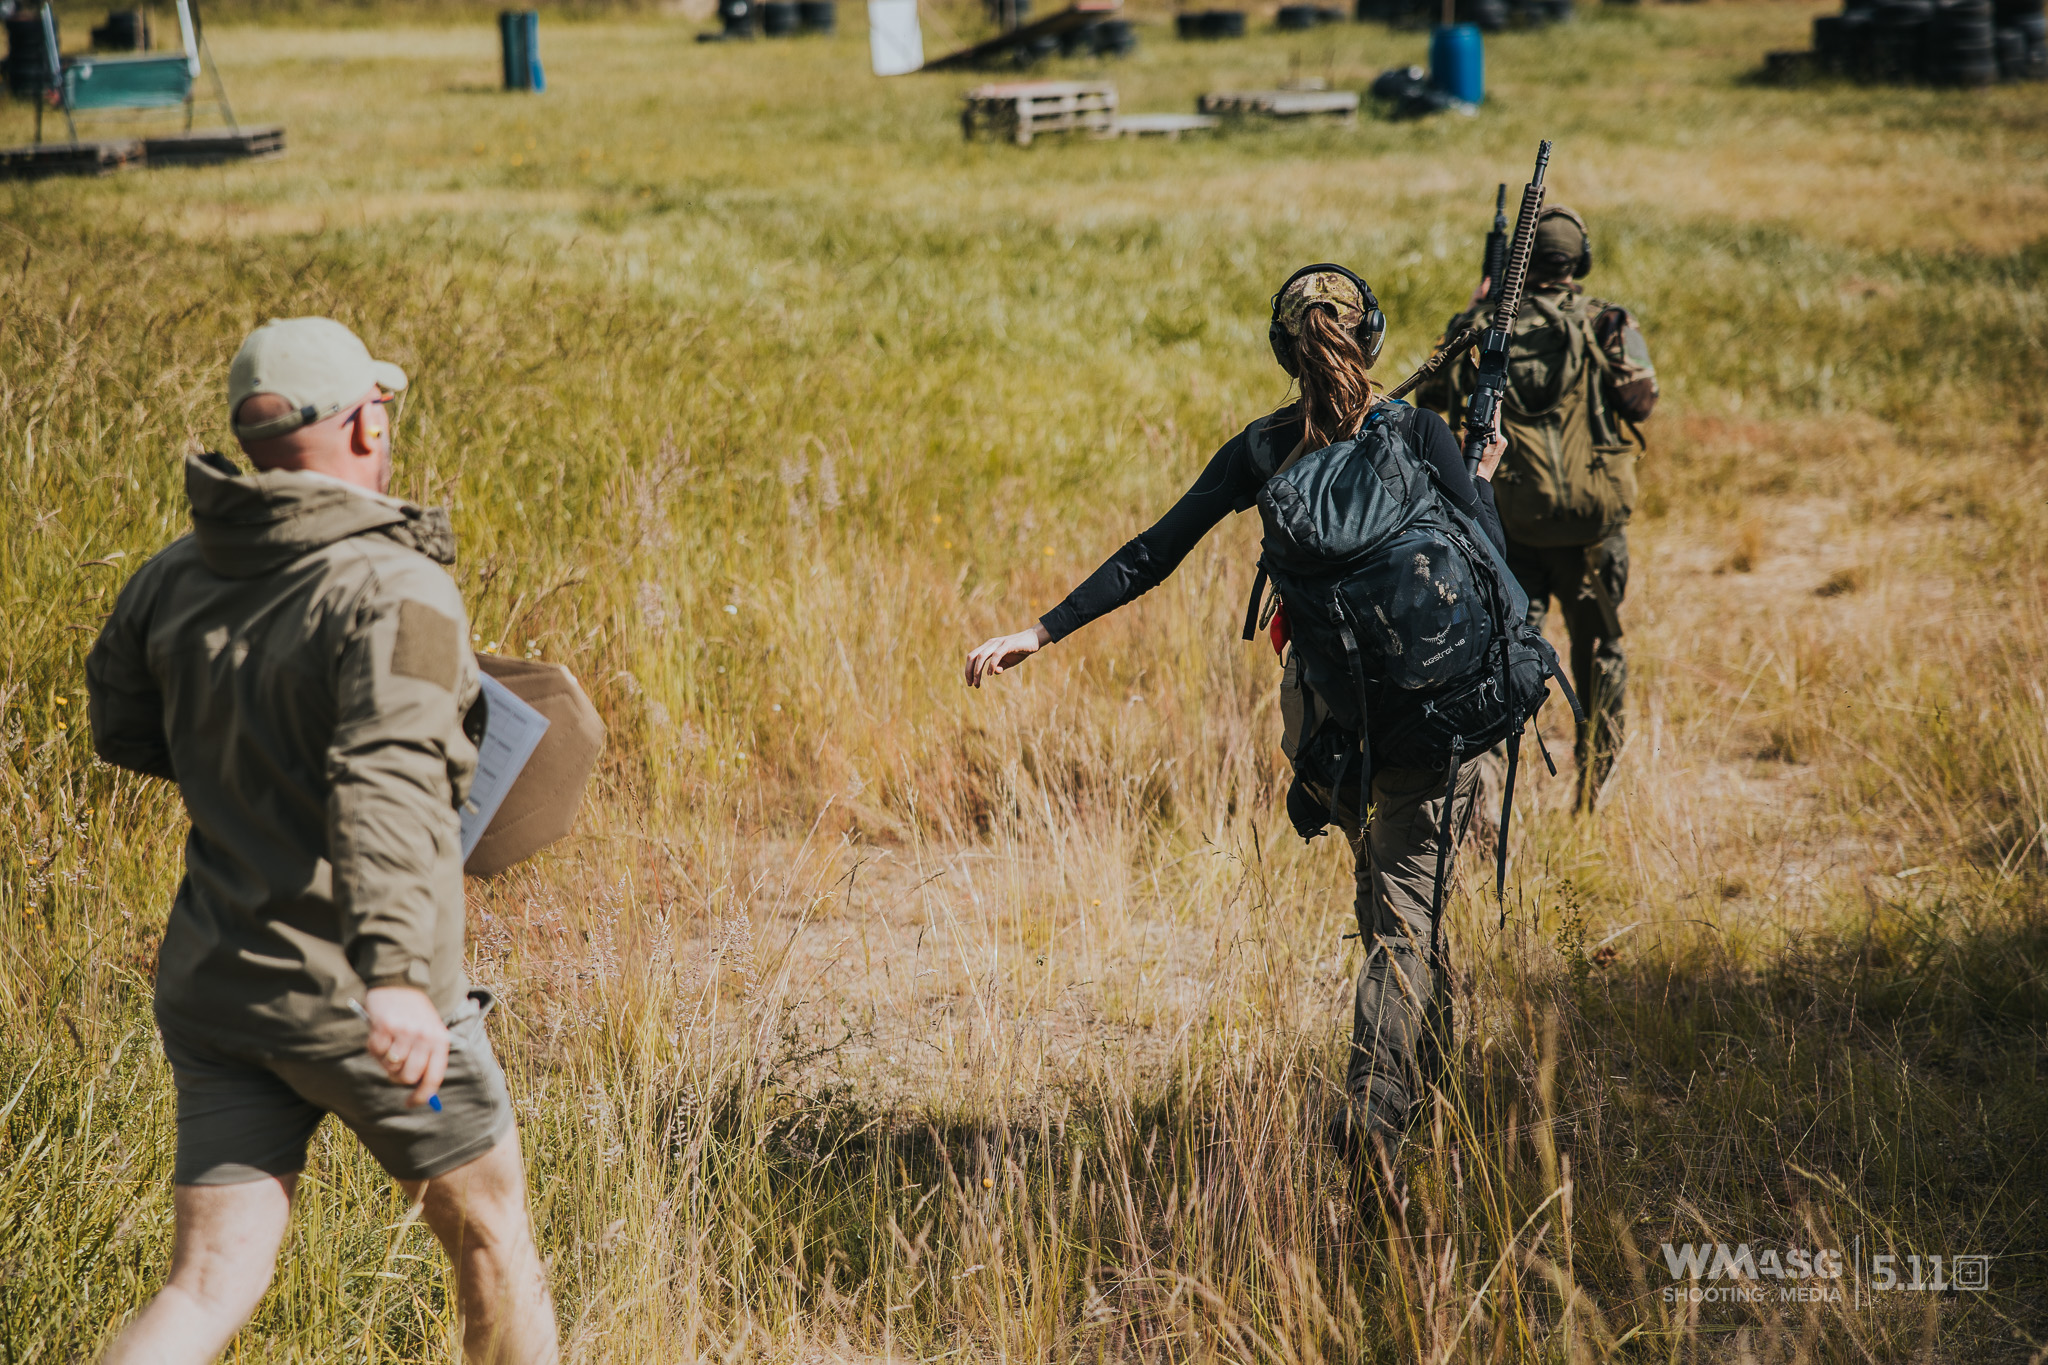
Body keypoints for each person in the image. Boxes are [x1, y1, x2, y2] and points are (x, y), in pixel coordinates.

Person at [86, 317, 559, 1365]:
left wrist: (257, 768)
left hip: (220, 986)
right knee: (491, 1238)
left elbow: (123, 726)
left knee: (204, 1287)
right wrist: (394, 977)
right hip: (365, 998)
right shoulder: (393, 586)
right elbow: (390, 784)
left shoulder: (172, 575)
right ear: (363, 423)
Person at [964, 267, 1509, 1166]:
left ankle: (1426, 1092)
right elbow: (1486, 553)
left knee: (1398, 895)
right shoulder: (1419, 431)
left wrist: (1041, 630)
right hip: (1433, 708)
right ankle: (1376, 1109)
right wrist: (1481, 477)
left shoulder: (1261, 449)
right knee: (1406, 910)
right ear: (1369, 340)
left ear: (1283, 353)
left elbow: (1154, 552)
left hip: (1328, 723)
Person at [1416, 206, 1659, 811]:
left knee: (1498, 661)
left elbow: (1430, 400)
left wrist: (1475, 316)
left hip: (1510, 532)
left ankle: (1490, 799)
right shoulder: (1608, 322)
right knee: (1600, 652)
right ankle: (1594, 795)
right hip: (1590, 529)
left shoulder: (1482, 326)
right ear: (1579, 261)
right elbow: (1641, 402)